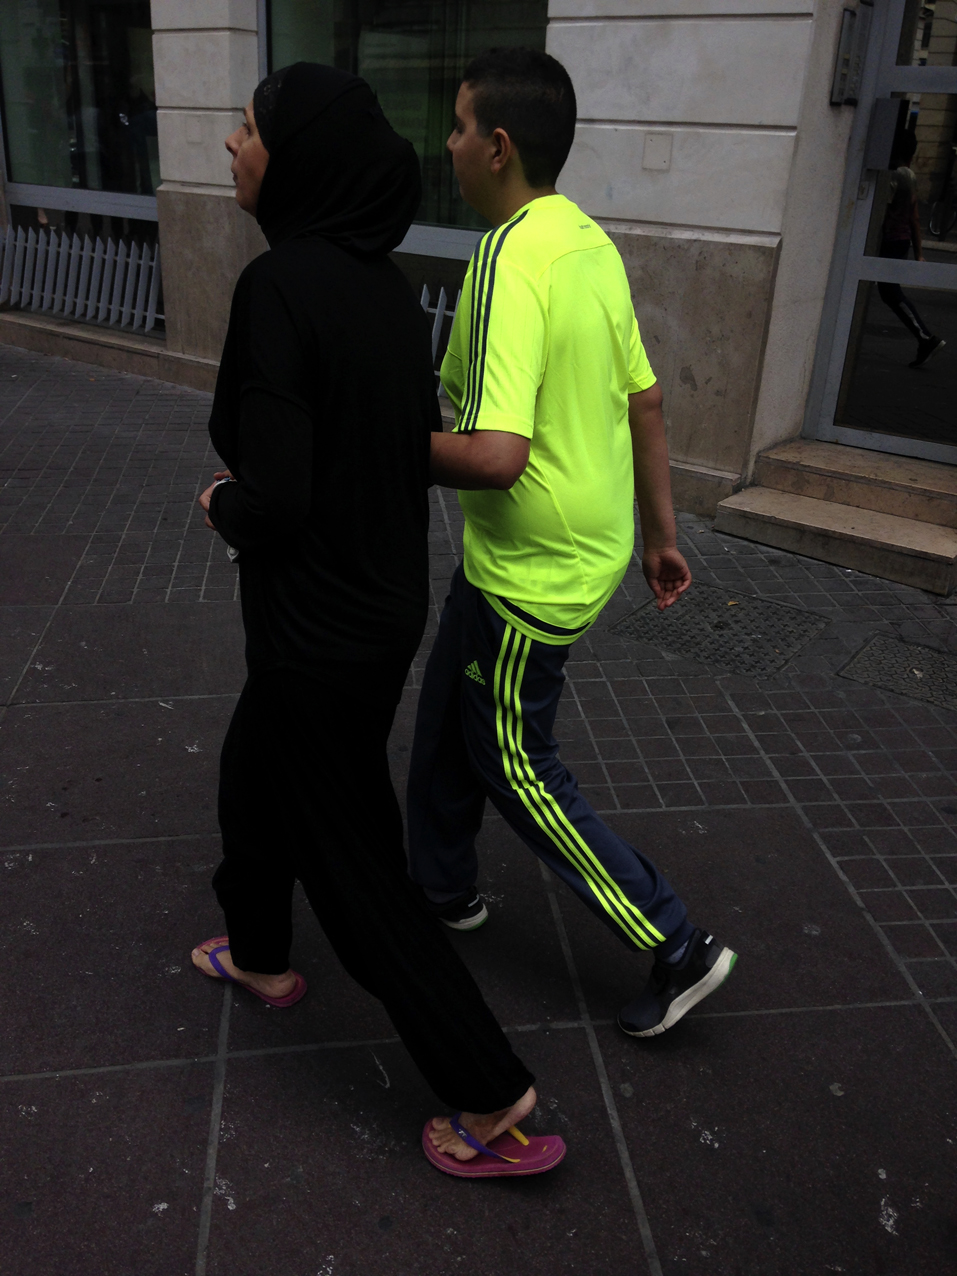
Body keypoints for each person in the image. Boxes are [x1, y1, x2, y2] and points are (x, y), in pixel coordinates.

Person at [190, 62, 564, 1178]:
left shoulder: (279, 288)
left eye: (248, 129)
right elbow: (390, 451)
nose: (231, 146)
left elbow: (278, 495)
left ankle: (490, 1093)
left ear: (297, 158)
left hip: (312, 626)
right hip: (374, 609)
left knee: (353, 866)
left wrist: (221, 505)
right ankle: (260, 951)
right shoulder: (387, 290)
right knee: (254, 772)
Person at [407, 47, 737, 1041]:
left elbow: (495, 454)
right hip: (566, 553)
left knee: (515, 761)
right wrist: (661, 539)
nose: (448, 143)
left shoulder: (508, 259)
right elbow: (647, 399)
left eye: (459, 126)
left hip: (532, 575)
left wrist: (370, 443)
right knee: (447, 718)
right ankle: (441, 886)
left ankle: (677, 941)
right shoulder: (586, 241)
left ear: (498, 146)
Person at [878, 129, 945, 369]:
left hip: (890, 239)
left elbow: (881, 211)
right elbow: (914, 217)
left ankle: (925, 336)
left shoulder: (896, 175)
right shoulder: (911, 175)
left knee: (890, 292)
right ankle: (924, 338)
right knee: (889, 291)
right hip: (901, 240)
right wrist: (918, 252)